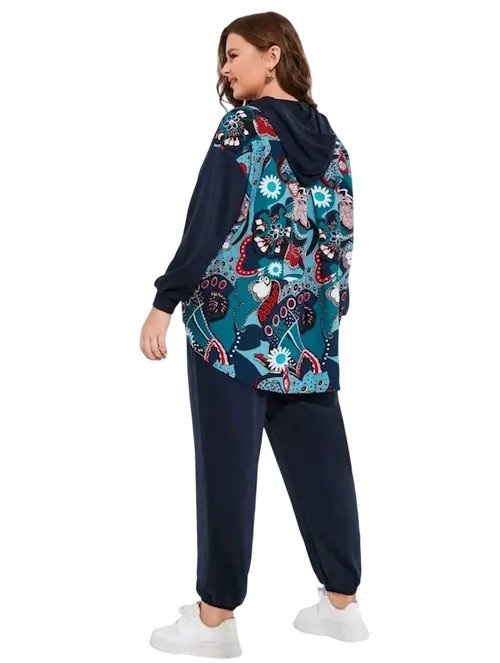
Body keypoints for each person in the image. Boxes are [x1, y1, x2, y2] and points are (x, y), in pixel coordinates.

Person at [138, 8, 368, 656]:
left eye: (235, 54)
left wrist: (163, 303)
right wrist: (319, 327)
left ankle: (215, 623)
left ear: (273, 55)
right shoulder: (336, 145)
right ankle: (344, 610)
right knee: (324, 470)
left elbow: (209, 223)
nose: (225, 69)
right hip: (307, 340)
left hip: (231, 333)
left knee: (226, 471)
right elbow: (343, 249)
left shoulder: (243, 130)